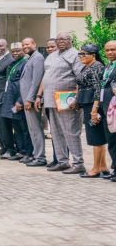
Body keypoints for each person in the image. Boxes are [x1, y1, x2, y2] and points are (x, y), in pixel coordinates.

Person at [37, 32, 85, 174]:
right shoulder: (52, 55)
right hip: (51, 99)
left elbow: (80, 78)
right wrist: (39, 96)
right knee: (56, 132)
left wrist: (77, 98)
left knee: (71, 131)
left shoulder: (75, 55)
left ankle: (78, 163)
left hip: (67, 100)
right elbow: (46, 76)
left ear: (70, 40)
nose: (60, 41)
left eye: (64, 39)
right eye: (58, 39)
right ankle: (62, 161)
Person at [76, 44, 107, 178]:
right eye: (80, 54)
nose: (81, 56)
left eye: (84, 54)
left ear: (93, 55)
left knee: (96, 137)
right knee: (97, 136)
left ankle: (95, 169)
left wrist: (94, 110)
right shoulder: (87, 66)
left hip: (94, 105)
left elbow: (97, 89)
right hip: (87, 104)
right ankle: (103, 166)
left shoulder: (97, 66)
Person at [20, 37, 47, 167]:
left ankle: (40, 157)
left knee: (36, 129)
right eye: (23, 44)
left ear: (34, 44)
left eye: (27, 44)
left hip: (30, 100)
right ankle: (36, 155)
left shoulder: (38, 58)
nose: (25, 46)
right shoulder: (30, 58)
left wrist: (30, 98)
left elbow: (36, 80)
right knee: (32, 129)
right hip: (27, 100)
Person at [1, 43, 30, 162]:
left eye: (18, 50)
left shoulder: (25, 63)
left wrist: (20, 101)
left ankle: (26, 152)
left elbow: (24, 84)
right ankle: (20, 150)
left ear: (23, 50)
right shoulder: (13, 63)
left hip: (18, 101)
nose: (15, 53)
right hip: (10, 101)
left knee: (23, 127)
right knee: (16, 127)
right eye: (13, 51)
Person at [100, 40, 116, 181]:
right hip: (107, 108)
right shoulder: (108, 66)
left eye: (113, 49)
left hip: (114, 108)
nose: (110, 52)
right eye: (107, 50)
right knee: (111, 139)